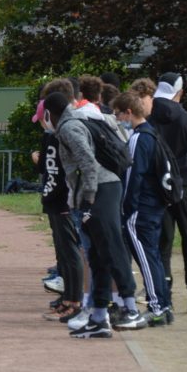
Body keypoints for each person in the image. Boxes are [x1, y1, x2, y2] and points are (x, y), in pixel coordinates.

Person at [45, 91, 145, 339]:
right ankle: (99, 317)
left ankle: (130, 308)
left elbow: (88, 163)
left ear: (50, 114)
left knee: (111, 246)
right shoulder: (78, 121)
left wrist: (87, 199)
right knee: (97, 256)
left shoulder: (69, 127)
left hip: (102, 189)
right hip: (100, 188)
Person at [148, 72, 187, 313]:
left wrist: (163, 168)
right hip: (185, 185)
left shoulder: (149, 119)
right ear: (180, 92)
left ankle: (165, 297)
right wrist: (177, 166)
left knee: (162, 242)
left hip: (157, 187)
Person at [113, 91, 174, 326]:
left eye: (119, 114)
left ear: (129, 112)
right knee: (153, 257)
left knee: (146, 259)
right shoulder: (153, 134)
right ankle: (163, 305)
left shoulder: (139, 138)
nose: (118, 119)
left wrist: (126, 208)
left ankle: (156, 307)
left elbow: (132, 177)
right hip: (154, 206)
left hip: (140, 209)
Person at [31, 92, 82, 323]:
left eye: (42, 119)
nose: (42, 124)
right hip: (53, 200)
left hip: (63, 201)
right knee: (63, 253)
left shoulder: (63, 134)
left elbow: (54, 167)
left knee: (71, 253)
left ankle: (74, 300)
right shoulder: (51, 137)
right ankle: (67, 299)